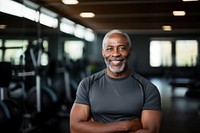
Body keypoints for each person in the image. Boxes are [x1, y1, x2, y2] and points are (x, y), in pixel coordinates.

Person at [70, 29, 162, 133]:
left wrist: (93, 127)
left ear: (130, 51)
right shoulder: (87, 84)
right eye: (109, 49)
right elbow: (75, 128)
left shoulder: (148, 88)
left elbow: (151, 131)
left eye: (122, 48)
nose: (115, 54)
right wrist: (126, 126)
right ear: (103, 52)